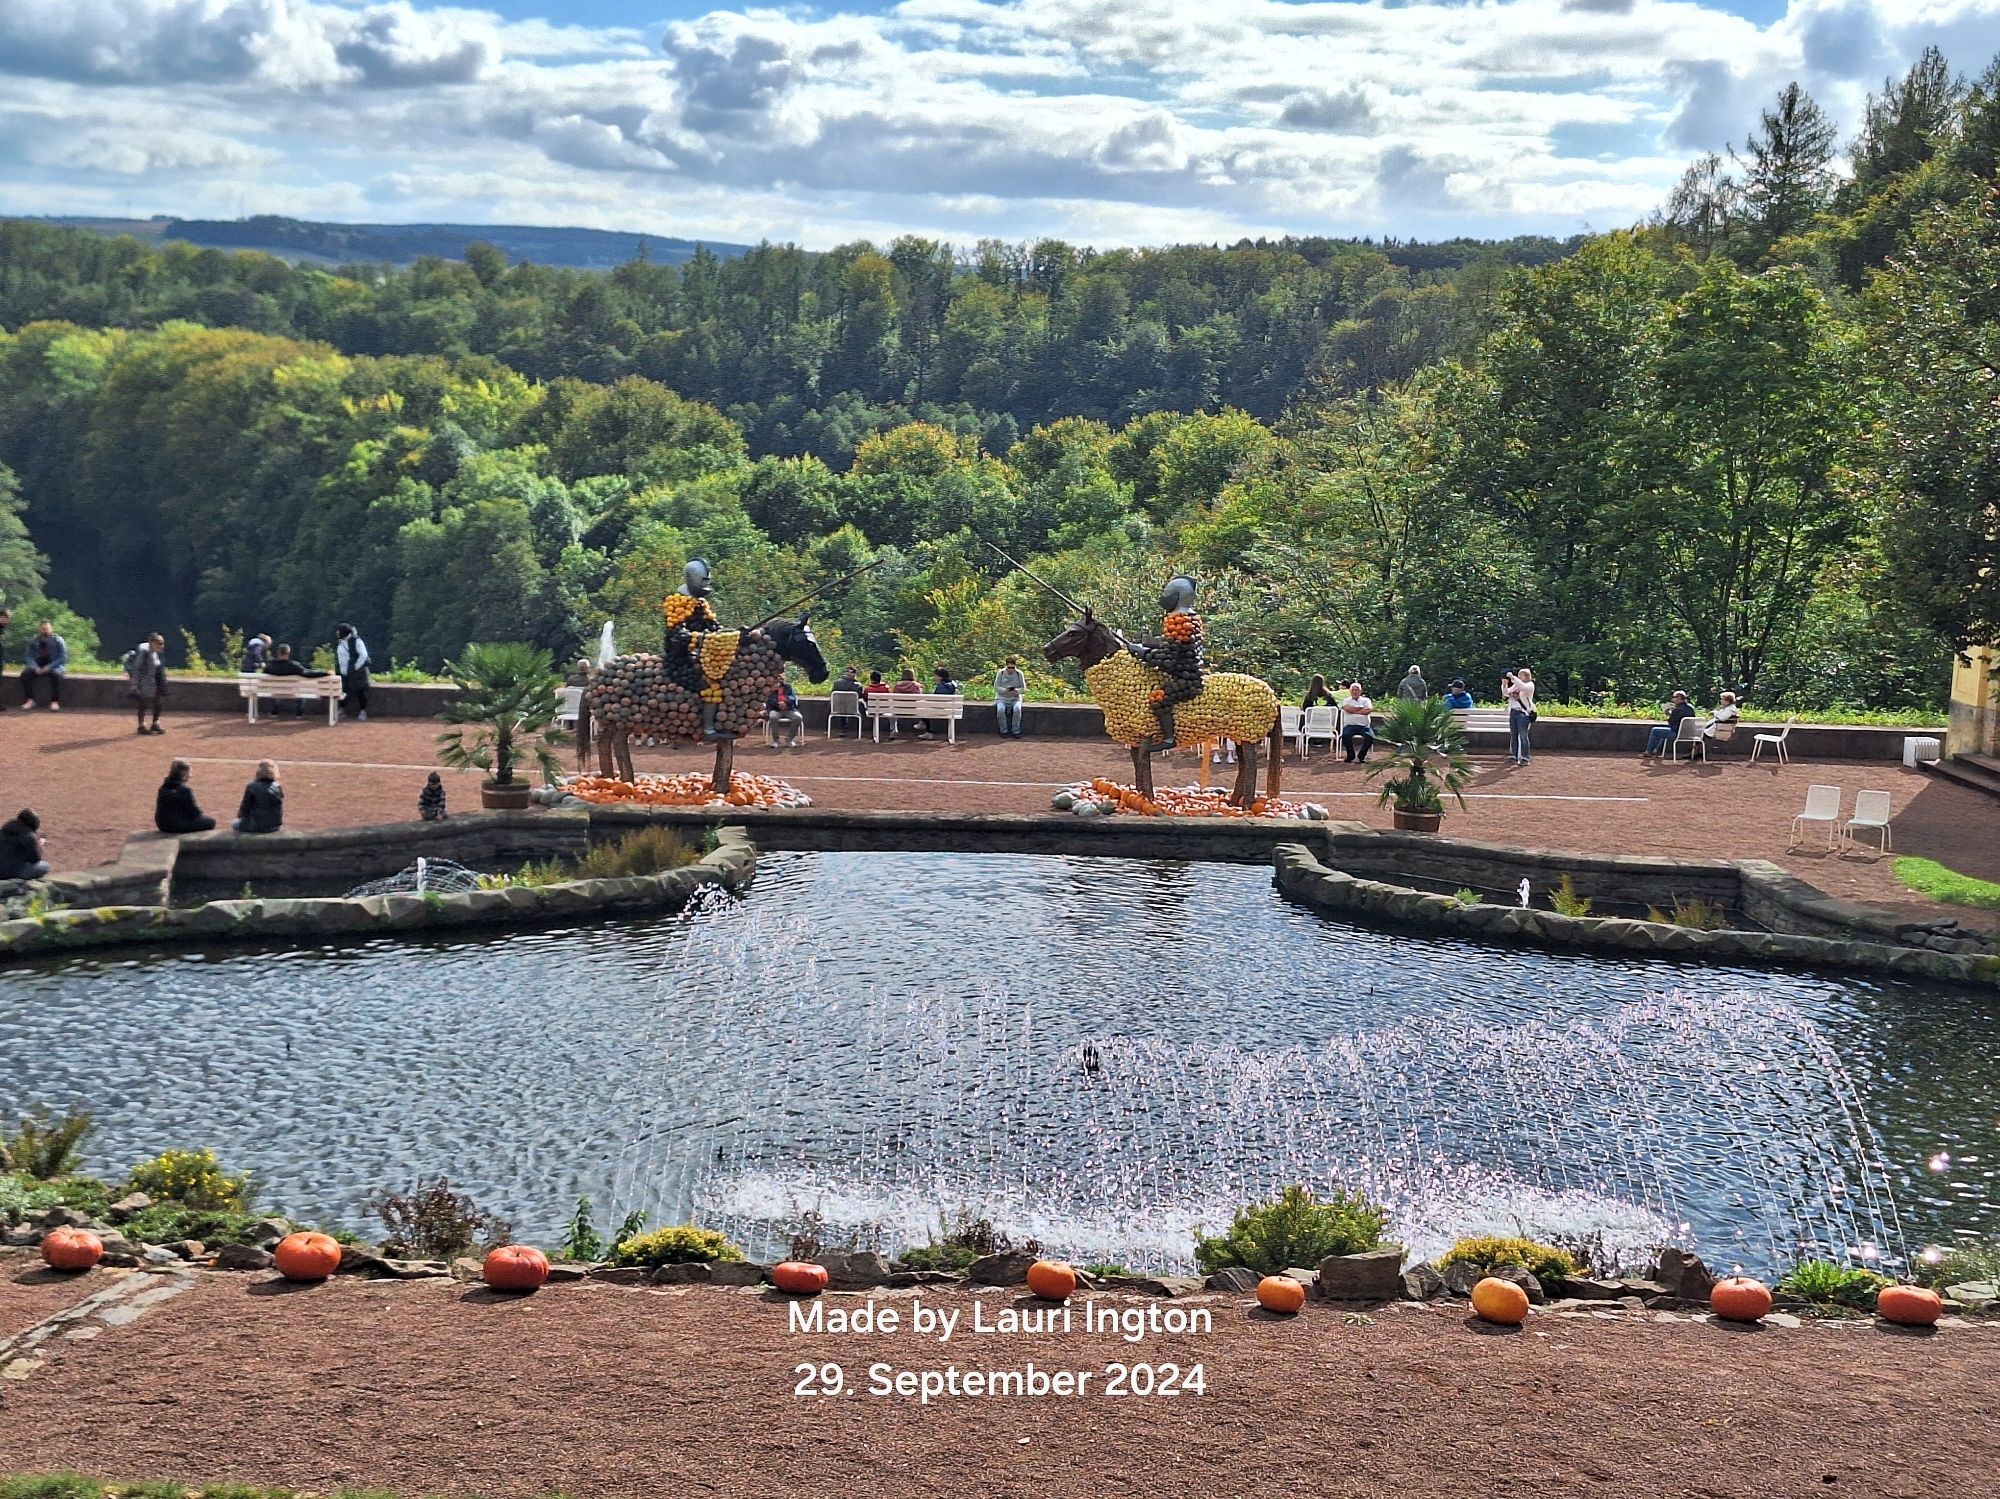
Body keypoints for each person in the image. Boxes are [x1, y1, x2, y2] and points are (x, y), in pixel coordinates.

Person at [1124, 574, 1203, 754]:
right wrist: (1150, 643)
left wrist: (1141, 652)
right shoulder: (1191, 616)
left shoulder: (1179, 620)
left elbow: (1167, 660)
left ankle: (1169, 738)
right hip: (1192, 670)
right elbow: (1175, 644)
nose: (1163, 598)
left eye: (1167, 593)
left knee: (1158, 699)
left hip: (1187, 679)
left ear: (1176, 596)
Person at [661, 558, 735, 742]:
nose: (706, 585)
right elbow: (677, 634)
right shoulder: (676, 602)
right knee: (710, 684)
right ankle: (707, 729)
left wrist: (732, 633)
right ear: (692, 578)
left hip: (704, 654)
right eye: (703, 581)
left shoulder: (701, 603)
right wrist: (699, 638)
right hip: (681, 658)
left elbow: (714, 627)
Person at [262, 643, 327, 716]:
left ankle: (274, 712)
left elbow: (263, 677)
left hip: (275, 692)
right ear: (288, 653)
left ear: (278, 653)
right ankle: (299, 713)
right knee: (301, 689)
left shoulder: (270, 667)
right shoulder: (294, 666)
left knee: (274, 688)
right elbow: (308, 674)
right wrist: (325, 673)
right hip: (292, 691)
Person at [154, 761, 216, 835]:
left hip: (161, 824)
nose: (190, 775)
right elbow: (195, 813)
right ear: (184, 774)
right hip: (176, 826)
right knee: (211, 822)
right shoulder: (185, 790)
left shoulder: (163, 787)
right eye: (189, 772)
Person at [126, 633, 168, 735]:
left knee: (158, 703)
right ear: (152, 643)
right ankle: (141, 726)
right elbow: (137, 668)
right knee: (143, 703)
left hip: (155, 682)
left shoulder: (155, 653)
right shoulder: (144, 653)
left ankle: (155, 723)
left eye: (162, 643)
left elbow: (157, 667)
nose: (162, 646)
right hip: (145, 683)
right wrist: (135, 683)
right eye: (159, 643)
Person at [17, 620, 65, 710]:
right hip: (38, 664)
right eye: (43, 628)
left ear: (51, 629)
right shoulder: (33, 640)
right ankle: (30, 700)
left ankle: (55, 702)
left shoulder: (58, 640)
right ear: (39, 629)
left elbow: (62, 658)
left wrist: (49, 667)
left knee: (57, 676)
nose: (45, 630)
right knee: (25, 675)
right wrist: (35, 667)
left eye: (47, 628)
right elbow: (29, 656)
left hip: (54, 665)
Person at [233, 761, 284, 834]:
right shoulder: (278, 787)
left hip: (254, 826)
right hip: (273, 826)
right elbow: (279, 808)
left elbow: (244, 808)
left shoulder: (251, 786)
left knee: (234, 823)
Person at [333, 624, 371, 722]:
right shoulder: (341, 642)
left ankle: (363, 711)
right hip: (344, 671)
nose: (337, 633)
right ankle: (342, 709)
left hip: (357, 672)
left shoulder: (356, 641)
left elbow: (363, 655)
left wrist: (355, 667)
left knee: (360, 691)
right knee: (343, 690)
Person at [0, 809, 49, 881]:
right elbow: (35, 859)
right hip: (13, 873)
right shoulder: (28, 836)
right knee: (45, 866)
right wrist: (39, 845)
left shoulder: (3, 831)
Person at [1645, 690, 1697, 757]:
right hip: (1689, 734)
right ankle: (1655, 751)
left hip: (1677, 733)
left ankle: (1649, 752)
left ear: (1679, 697)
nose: (1672, 699)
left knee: (1655, 730)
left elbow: (1671, 723)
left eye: (1673, 697)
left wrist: (1669, 713)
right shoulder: (1690, 709)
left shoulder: (1677, 710)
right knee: (1661, 731)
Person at [1339, 681, 1376, 762]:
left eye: (1357, 690)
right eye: (1353, 690)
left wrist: (1353, 710)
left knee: (1371, 737)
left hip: (1364, 726)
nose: (1355, 692)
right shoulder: (1346, 700)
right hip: (1350, 726)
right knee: (1345, 735)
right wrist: (1360, 709)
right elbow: (1347, 709)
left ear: (1360, 691)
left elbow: (1368, 710)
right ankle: (1350, 755)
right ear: (1350, 691)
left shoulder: (1366, 700)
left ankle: (1361, 756)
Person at [1507, 666, 1537, 764]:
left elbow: (1523, 687)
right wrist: (1504, 685)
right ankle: (1514, 755)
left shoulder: (1530, 685)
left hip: (1523, 713)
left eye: (1521, 674)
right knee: (1513, 734)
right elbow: (1506, 693)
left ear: (1527, 676)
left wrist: (1513, 678)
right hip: (1513, 711)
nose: (1519, 676)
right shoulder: (1515, 685)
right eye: (1518, 674)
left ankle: (1525, 757)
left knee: (1523, 735)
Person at [994, 656, 1027, 739]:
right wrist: (1006, 690)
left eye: (1013, 668)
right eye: (1009, 668)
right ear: (1006, 666)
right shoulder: (1001, 673)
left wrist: (1016, 691)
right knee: (1000, 710)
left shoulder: (1019, 674)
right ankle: (1003, 731)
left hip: (1015, 698)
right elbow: (996, 687)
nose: (1011, 670)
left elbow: (1024, 688)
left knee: (1017, 710)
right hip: (1002, 698)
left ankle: (1016, 731)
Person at [765, 678, 804, 747]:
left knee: (798, 718)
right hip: (776, 709)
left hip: (789, 709)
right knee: (773, 717)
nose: (780, 680)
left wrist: (785, 703)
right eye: (778, 679)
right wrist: (778, 704)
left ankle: (789, 739)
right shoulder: (771, 688)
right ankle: (776, 741)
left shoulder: (788, 687)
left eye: (781, 679)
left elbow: (792, 698)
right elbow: (769, 700)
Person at [926, 665, 961, 741]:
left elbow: (934, 700)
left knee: (923, 709)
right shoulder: (953, 685)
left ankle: (928, 731)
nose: (934, 677)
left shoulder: (941, 687)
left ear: (940, 677)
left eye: (935, 676)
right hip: (950, 711)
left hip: (938, 710)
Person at [864, 669, 899, 737]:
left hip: (872, 710)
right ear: (880, 679)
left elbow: (865, 699)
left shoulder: (867, 689)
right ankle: (893, 729)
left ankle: (875, 733)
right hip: (884, 710)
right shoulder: (885, 688)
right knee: (893, 712)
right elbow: (889, 697)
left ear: (871, 679)